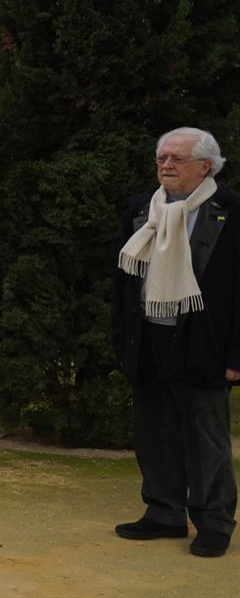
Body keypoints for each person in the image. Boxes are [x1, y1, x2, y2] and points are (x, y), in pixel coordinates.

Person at [112, 126, 240, 559]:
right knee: (154, 433)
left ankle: (214, 522)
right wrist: (121, 340)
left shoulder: (231, 211)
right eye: (162, 159)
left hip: (204, 341)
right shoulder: (138, 210)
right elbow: (124, 284)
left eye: (176, 159)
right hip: (148, 337)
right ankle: (164, 513)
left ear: (206, 166)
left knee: (207, 439)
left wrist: (237, 354)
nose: (166, 165)